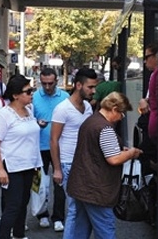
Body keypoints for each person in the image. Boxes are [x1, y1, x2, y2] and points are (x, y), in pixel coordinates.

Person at [65, 92, 142, 239]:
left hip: (81, 185)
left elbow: (96, 150)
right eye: (122, 113)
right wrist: (131, 153)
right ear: (114, 109)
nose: (121, 117)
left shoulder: (91, 121)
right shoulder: (105, 128)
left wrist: (119, 150)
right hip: (97, 190)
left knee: (80, 229)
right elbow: (113, 159)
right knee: (105, 229)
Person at [0, 75, 42, 239]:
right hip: (11, 166)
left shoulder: (29, 110)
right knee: (13, 206)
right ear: (15, 95)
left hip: (29, 165)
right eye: (28, 91)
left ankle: (19, 235)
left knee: (23, 204)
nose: (31, 94)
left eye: (32, 90)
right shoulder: (4, 114)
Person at [50, 68, 97, 239]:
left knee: (82, 208)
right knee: (74, 209)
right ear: (78, 85)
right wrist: (57, 169)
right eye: (90, 87)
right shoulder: (62, 109)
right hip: (68, 164)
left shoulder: (87, 108)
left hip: (84, 164)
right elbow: (53, 140)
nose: (93, 91)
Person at [31, 67, 70, 231]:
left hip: (60, 146)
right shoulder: (33, 97)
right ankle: (42, 214)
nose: (47, 87)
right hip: (39, 146)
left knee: (59, 182)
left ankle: (58, 217)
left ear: (57, 81)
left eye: (51, 83)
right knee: (39, 183)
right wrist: (36, 123)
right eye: (44, 83)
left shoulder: (65, 97)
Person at [138, 44, 158, 143]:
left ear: (157, 56)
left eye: (147, 57)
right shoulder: (154, 74)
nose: (145, 61)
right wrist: (144, 100)